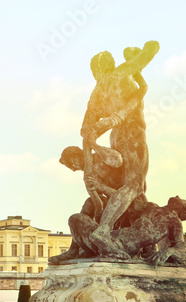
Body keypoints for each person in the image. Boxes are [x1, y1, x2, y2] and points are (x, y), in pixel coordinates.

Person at [81, 41, 160, 258]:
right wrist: (134, 55)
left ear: (96, 71)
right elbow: (153, 49)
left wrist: (89, 165)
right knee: (135, 185)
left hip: (116, 140)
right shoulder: (120, 73)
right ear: (111, 64)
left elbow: (86, 133)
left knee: (136, 189)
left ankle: (143, 243)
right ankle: (104, 230)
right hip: (133, 136)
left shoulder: (96, 93)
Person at [67, 196, 186, 266]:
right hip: (111, 237)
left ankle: (114, 253)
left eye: (183, 200)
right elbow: (126, 200)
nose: (178, 196)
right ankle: (75, 251)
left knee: (80, 223)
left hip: (123, 247)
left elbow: (182, 249)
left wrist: (168, 251)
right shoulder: (152, 207)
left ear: (183, 209)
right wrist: (99, 188)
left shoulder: (175, 222)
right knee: (75, 219)